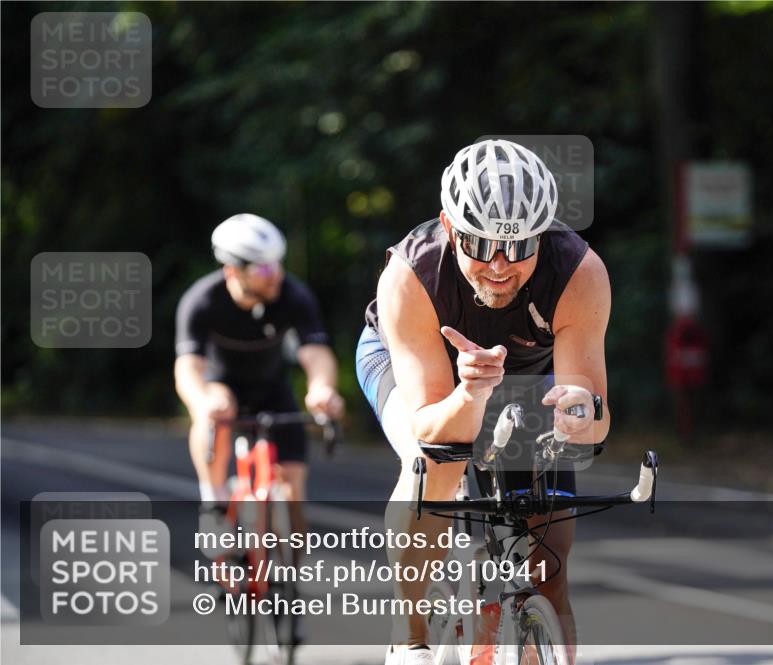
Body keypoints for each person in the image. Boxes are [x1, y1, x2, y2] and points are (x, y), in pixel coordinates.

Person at [356, 139, 611, 665]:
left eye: (518, 248)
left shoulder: (578, 273)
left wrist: (581, 410)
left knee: (548, 566)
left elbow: (596, 424)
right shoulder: (410, 275)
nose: (499, 265)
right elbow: (431, 422)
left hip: (525, 379)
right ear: (450, 227)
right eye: (481, 245)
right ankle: (410, 641)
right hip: (416, 366)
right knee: (436, 466)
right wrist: (471, 390)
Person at [174, 213, 345, 529]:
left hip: (273, 390)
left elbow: (316, 352)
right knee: (218, 405)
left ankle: (288, 575)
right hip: (221, 387)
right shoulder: (202, 301)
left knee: (295, 503)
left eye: (278, 263)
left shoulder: (294, 294)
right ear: (233, 271)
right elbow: (188, 367)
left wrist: (321, 388)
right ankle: (213, 503)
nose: (276, 275)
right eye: (264, 268)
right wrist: (201, 403)